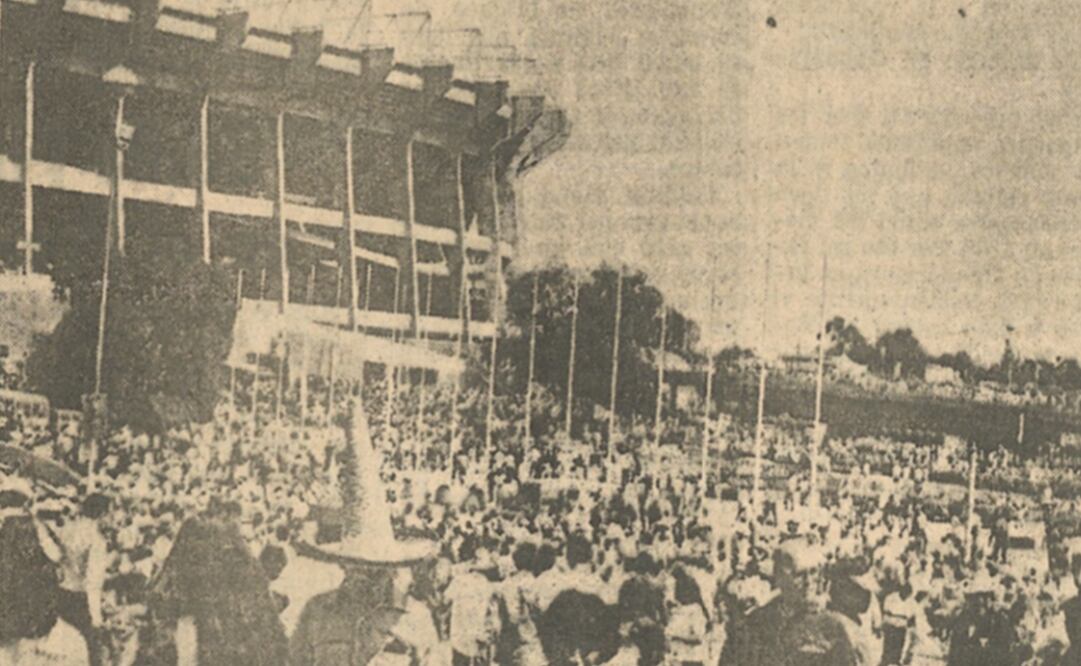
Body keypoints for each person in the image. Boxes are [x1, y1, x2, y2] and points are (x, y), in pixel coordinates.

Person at [720, 538, 860, 666]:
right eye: (799, 575)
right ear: (779, 577)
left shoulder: (831, 627)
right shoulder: (754, 625)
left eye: (813, 572)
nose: (808, 582)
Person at [37, 492, 111, 666]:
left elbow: (48, 532)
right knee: (91, 647)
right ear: (102, 514)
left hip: (60, 592)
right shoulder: (97, 540)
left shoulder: (68, 528)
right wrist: (96, 618)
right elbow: (93, 582)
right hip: (79, 598)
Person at [0, 475, 62, 664]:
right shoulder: (36, 527)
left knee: (7, 650)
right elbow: (57, 555)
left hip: (5, 596)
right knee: (24, 650)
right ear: (26, 502)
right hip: (30, 599)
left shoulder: (4, 526)